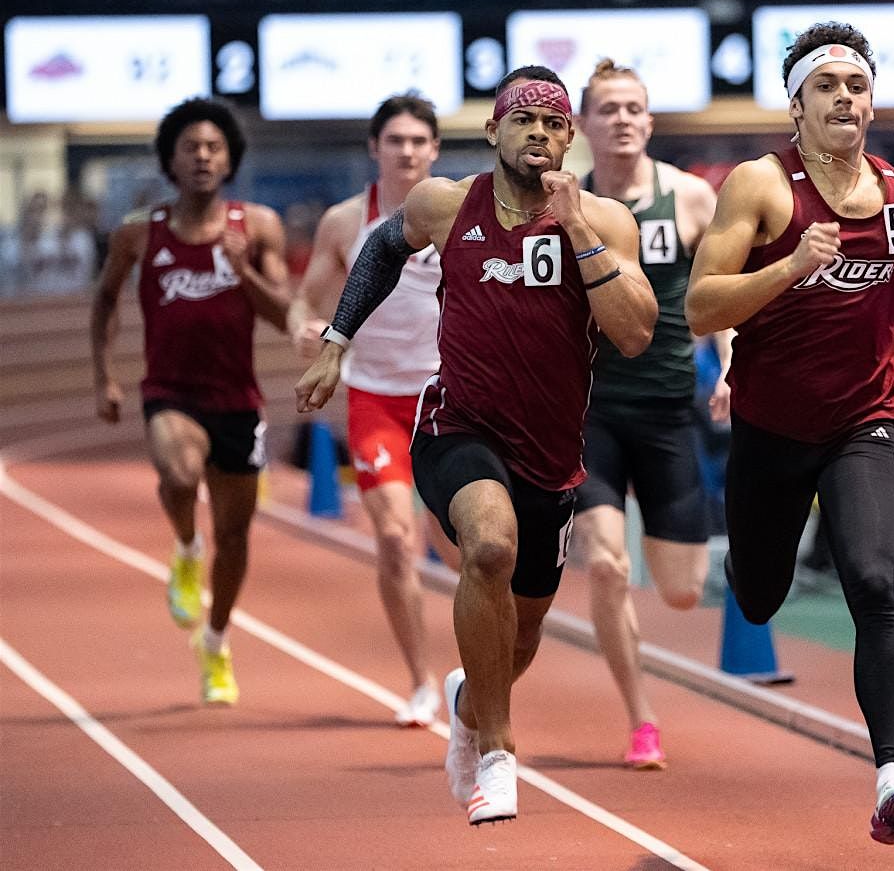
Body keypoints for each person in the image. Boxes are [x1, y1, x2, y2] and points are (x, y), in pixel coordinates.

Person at [295, 67, 657, 825]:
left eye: (554, 123)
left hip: (552, 456)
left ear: (571, 139)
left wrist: (580, 227)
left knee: (520, 635)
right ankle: (497, 751)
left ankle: (468, 707)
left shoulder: (604, 220)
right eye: (522, 118)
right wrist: (336, 341)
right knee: (487, 546)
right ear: (493, 131)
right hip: (457, 426)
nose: (539, 132)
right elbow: (380, 252)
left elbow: (633, 331)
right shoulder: (444, 204)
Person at [685, 22, 894, 846]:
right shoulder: (761, 187)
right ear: (797, 105)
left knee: (873, 580)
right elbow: (701, 305)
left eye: (857, 84)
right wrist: (789, 265)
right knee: (759, 594)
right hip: (771, 429)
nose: (846, 98)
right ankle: (749, 561)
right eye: (828, 87)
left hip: (863, 419)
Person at [91, 97, 290, 706]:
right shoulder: (137, 233)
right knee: (178, 476)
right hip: (169, 392)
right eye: (190, 148)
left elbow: (286, 315)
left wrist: (244, 271)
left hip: (236, 399)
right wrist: (104, 376)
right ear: (170, 162)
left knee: (235, 539)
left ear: (229, 160)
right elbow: (104, 303)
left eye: (214, 148)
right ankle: (184, 549)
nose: (202, 156)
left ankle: (216, 640)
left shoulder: (257, 227)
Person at [287, 93, 461, 728]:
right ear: (375, 148)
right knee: (393, 538)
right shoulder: (344, 221)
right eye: (396, 141)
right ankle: (421, 682)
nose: (408, 151)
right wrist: (307, 328)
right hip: (375, 399)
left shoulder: (458, 212)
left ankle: (477, 668)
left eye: (419, 141)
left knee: (461, 549)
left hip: (447, 398)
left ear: (435, 149)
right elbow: (302, 301)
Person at [574, 58, 722, 769]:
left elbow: (725, 289)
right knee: (605, 564)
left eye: (634, 107)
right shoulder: (565, 208)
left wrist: (732, 359)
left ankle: (642, 616)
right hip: (591, 413)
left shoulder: (690, 198)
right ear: (584, 124)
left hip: (668, 410)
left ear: (651, 121)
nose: (623, 119)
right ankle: (642, 719)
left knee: (684, 591)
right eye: (608, 109)